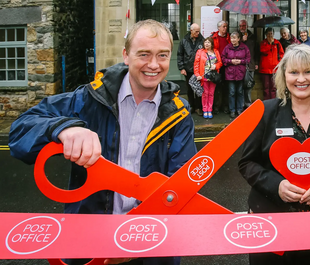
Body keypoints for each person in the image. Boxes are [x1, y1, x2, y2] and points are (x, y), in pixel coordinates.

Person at [9, 19, 198, 265]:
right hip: (89, 240)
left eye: (162, 55)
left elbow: (179, 188)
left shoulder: (179, 113)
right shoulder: (88, 99)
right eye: (144, 54)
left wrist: (133, 241)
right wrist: (63, 128)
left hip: (154, 243)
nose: (154, 64)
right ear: (126, 55)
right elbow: (19, 132)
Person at [239, 44, 310, 265]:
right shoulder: (264, 112)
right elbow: (247, 163)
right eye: (294, 72)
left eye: (308, 71)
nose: (301, 79)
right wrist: (277, 186)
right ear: (284, 76)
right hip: (270, 221)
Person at [222, 32, 251, 118]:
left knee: (240, 92)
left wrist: (240, 61)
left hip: (241, 73)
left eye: (235, 38)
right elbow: (223, 58)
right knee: (232, 92)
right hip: (230, 73)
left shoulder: (244, 47)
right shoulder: (227, 48)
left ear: (239, 39)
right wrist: (230, 61)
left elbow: (248, 59)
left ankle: (239, 109)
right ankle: (232, 110)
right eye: (232, 38)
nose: (233, 40)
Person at [177, 23, 204, 116]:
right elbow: (180, 54)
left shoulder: (202, 40)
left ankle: (198, 107)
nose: (198, 33)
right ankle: (191, 106)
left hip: (199, 69)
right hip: (188, 68)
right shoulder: (184, 40)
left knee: (198, 89)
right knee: (189, 89)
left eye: (199, 31)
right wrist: (181, 68)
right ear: (191, 31)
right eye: (196, 31)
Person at [194, 37, 222, 119]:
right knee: (205, 94)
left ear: (212, 44)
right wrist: (197, 74)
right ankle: (205, 110)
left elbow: (220, 62)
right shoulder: (200, 52)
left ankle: (210, 110)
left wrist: (216, 66)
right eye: (205, 42)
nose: (206, 44)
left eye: (208, 42)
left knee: (211, 93)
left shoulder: (216, 51)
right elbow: (196, 64)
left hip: (213, 76)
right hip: (204, 76)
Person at [237, 19, 259, 109]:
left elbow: (256, 51)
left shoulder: (252, 36)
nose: (242, 28)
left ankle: (248, 103)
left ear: (247, 26)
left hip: (251, 64)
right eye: (241, 26)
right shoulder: (236, 36)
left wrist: (256, 63)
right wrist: (242, 41)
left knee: (249, 85)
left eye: (244, 26)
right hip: (240, 65)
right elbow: (235, 48)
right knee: (240, 86)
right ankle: (240, 105)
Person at [259, 27, 284, 100]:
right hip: (265, 69)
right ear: (266, 35)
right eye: (268, 34)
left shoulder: (277, 43)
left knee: (273, 87)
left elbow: (282, 54)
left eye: (271, 34)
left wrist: (278, 63)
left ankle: (273, 101)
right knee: (266, 87)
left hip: (275, 69)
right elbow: (263, 50)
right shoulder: (263, 43)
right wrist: (270, 44)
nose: (270, 36)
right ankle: (267, 102)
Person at [212, 20, 231, 114]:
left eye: (226, 26)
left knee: (226, 87)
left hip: (227, 65)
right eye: (223, 26)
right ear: (219, 28)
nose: (225, 28)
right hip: (217, 65)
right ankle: (216, 106)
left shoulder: (229, 37)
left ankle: (225, 106)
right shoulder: (214, 37)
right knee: (217, 87)